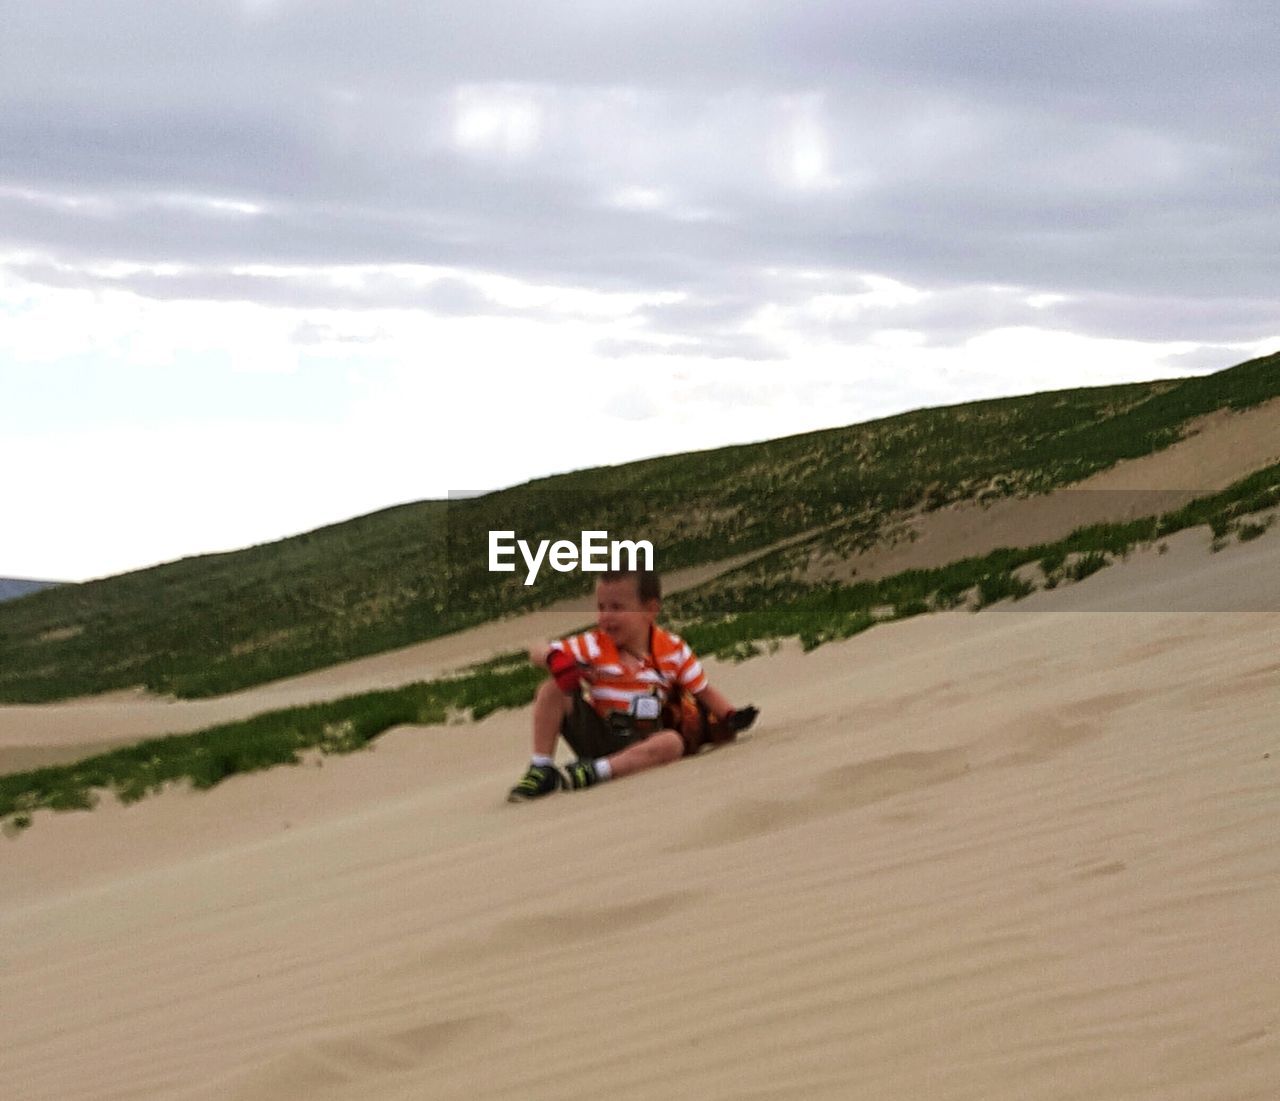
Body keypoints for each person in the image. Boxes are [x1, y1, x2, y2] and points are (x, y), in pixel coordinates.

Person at [507, 568, 758, 801]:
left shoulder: (672, 650)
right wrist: (554, 659)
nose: (605, 617)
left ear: (649, 610)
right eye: (601, 607)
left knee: (672, 743)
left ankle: (597, 771)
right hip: (598, 732)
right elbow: (536, 648)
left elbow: (702, 689)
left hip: (642, 741)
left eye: (617, 607)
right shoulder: (593, 645)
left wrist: (730, 715)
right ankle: (541, 768)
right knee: (551, 689)